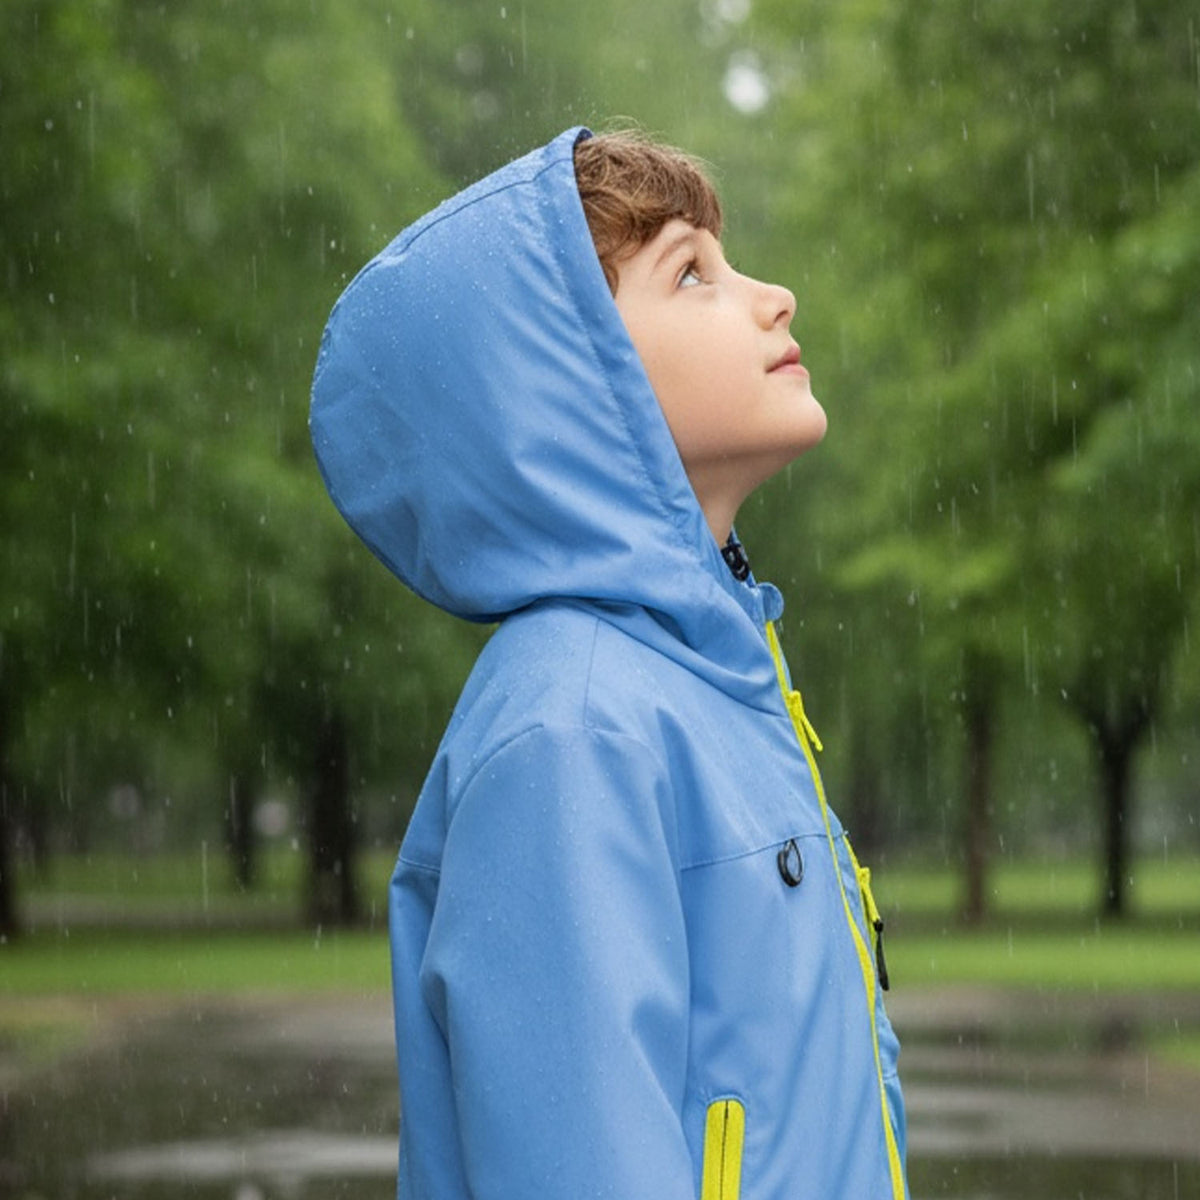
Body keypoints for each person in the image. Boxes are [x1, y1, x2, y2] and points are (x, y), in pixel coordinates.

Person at [310, 126, 909, 1200]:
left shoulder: (720, 688)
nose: (775, 296)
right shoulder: (573, 728)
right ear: (572, 379)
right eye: (693, 272)